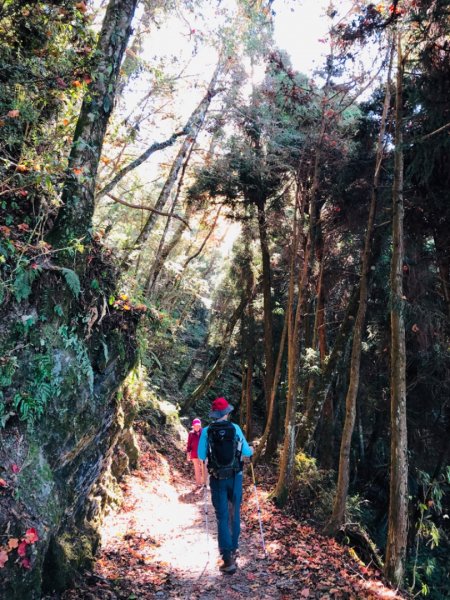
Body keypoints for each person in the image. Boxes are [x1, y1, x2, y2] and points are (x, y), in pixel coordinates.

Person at [197, 397, 253, 575]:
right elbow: (246, 451)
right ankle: (234, 548)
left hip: (217, 479)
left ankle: (227, 558)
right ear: (227, 413)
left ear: (214, 414)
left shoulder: (207, 431)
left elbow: (200, 455)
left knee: (222, 516)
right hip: (235, 477)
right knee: (234, 512)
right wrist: (251, 449)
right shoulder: (235, 429)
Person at [186, 418, 206, 487]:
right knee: (197, 469)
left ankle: (204, 483)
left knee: (203, 468)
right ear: (193, 426)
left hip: (202, 453)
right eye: (195, 426)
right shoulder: (191, 434)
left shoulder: (203, 432)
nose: (197, 427)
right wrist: (188, 453)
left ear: (200, 426)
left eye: (198, 425)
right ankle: (198, 483)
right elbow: (189, 445)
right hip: (194, 454)